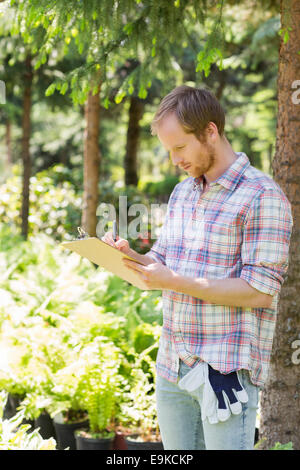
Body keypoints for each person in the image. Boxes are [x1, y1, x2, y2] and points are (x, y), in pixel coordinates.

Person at [102, 85, 293, 450]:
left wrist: (173, 280)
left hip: (223, 373)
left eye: (180, 147)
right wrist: (130, 258)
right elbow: (165, 263)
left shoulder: (262, 196)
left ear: (210, 131)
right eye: (168, 150)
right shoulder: (183, 192)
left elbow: (259, 291)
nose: (175, 159)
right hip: (172, 368)